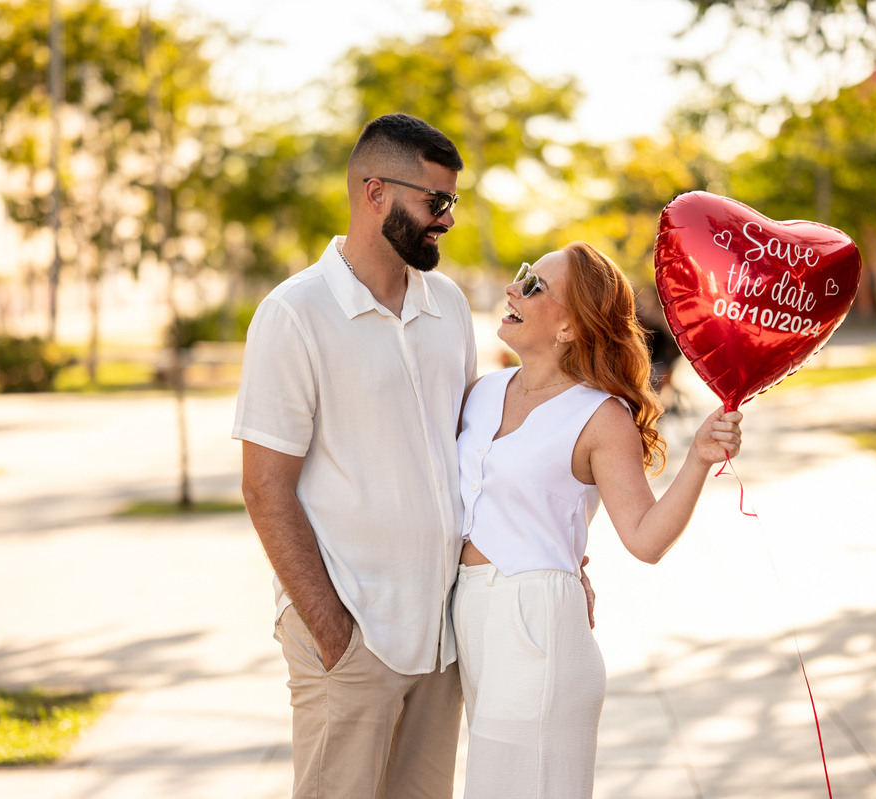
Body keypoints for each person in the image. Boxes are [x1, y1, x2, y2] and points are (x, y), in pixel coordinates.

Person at [233, 113, 475, 799]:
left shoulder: (450, 307)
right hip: (350, 639)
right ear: (376, 193)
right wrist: (332, 631)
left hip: (440, 641)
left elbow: (465, 450)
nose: (447, 219)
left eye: (450, 202)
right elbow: (264, 486)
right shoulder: (293, 314)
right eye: (435, 201)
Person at [452, 242, 743, 799]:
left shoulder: (601, 416)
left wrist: (700, 458)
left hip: (536, 621)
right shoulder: (482, 394)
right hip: (471, 615)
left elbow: (645, 538)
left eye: (533, 285)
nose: (512, 289)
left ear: (568, 328)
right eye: (520, 276)